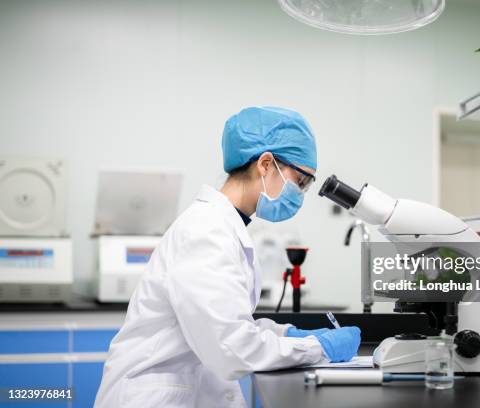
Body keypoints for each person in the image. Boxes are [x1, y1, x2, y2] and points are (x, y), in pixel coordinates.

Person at [94, 106, 361, 408]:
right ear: (265, 164)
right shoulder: (206, 231)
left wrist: (288, 333)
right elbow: (230, 347)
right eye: (300, 182)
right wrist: (317, 348)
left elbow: (225, 324)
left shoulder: (224, 226)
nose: (300, 195)